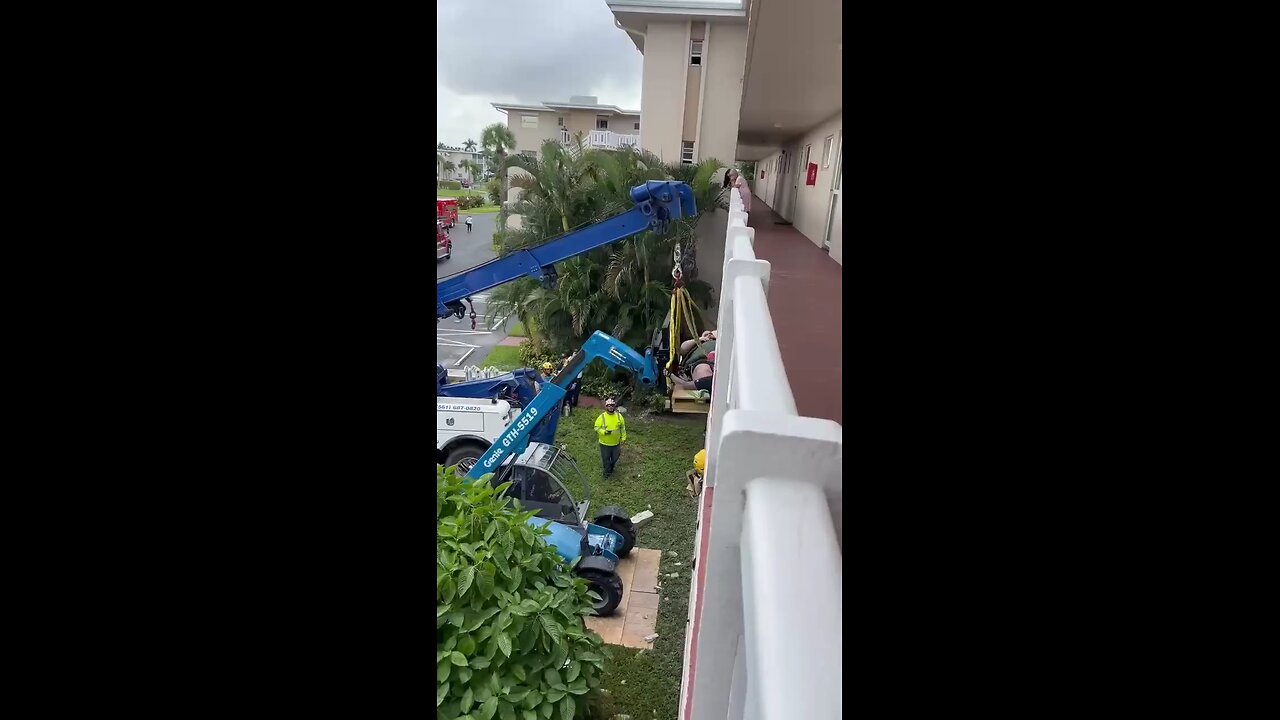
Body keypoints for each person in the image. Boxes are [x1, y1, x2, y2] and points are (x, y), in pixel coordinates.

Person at [594, 398, 626, 478]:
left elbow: (622, 428)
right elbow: (596, 428)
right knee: (606, 459)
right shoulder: (602, 417)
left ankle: (611, 467)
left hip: (616, 443)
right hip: (604, 443)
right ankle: (606, 474)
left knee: (615, 457)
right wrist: (603, 432)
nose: (611, 407)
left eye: (612, 406)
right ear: (606, 407)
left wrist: (623, 437)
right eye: (609, 406)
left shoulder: (619, 416)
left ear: (614, 406)